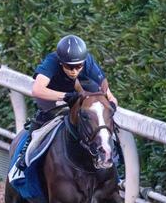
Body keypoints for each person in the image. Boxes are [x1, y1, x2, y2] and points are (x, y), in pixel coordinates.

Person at [17, 34, 118, 169]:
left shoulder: (88, 61)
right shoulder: (51, 62)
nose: (74, 71)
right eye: (69, 67)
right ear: (60, 62)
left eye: (79, 66)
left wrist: (111, 106)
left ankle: (117, 155)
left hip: (74, 91)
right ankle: (26, 151)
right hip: (50, 94)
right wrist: (64, 96)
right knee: (46, 116)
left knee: (100, 119)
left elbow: (110, 96)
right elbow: (36, 90)